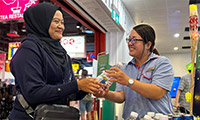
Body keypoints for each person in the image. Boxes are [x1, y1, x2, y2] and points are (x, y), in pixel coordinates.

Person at [8, 3, 102, 120]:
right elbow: (34, 93)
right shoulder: (28, 50)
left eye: (62, 22)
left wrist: (88, 87)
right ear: (42, 22)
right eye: (56, 21)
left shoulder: (62, 54)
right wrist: (76, 85)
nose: (61, 26)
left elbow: (68, 93)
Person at [94, 24, 174, 119]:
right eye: (129, 40)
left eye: (134, 40)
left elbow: (157, 92)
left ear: (148, 44)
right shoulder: (125, 68)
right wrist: (106, 94)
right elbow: (121, 96)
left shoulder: (161, 62)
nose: (130, 43)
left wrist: (128, 81)